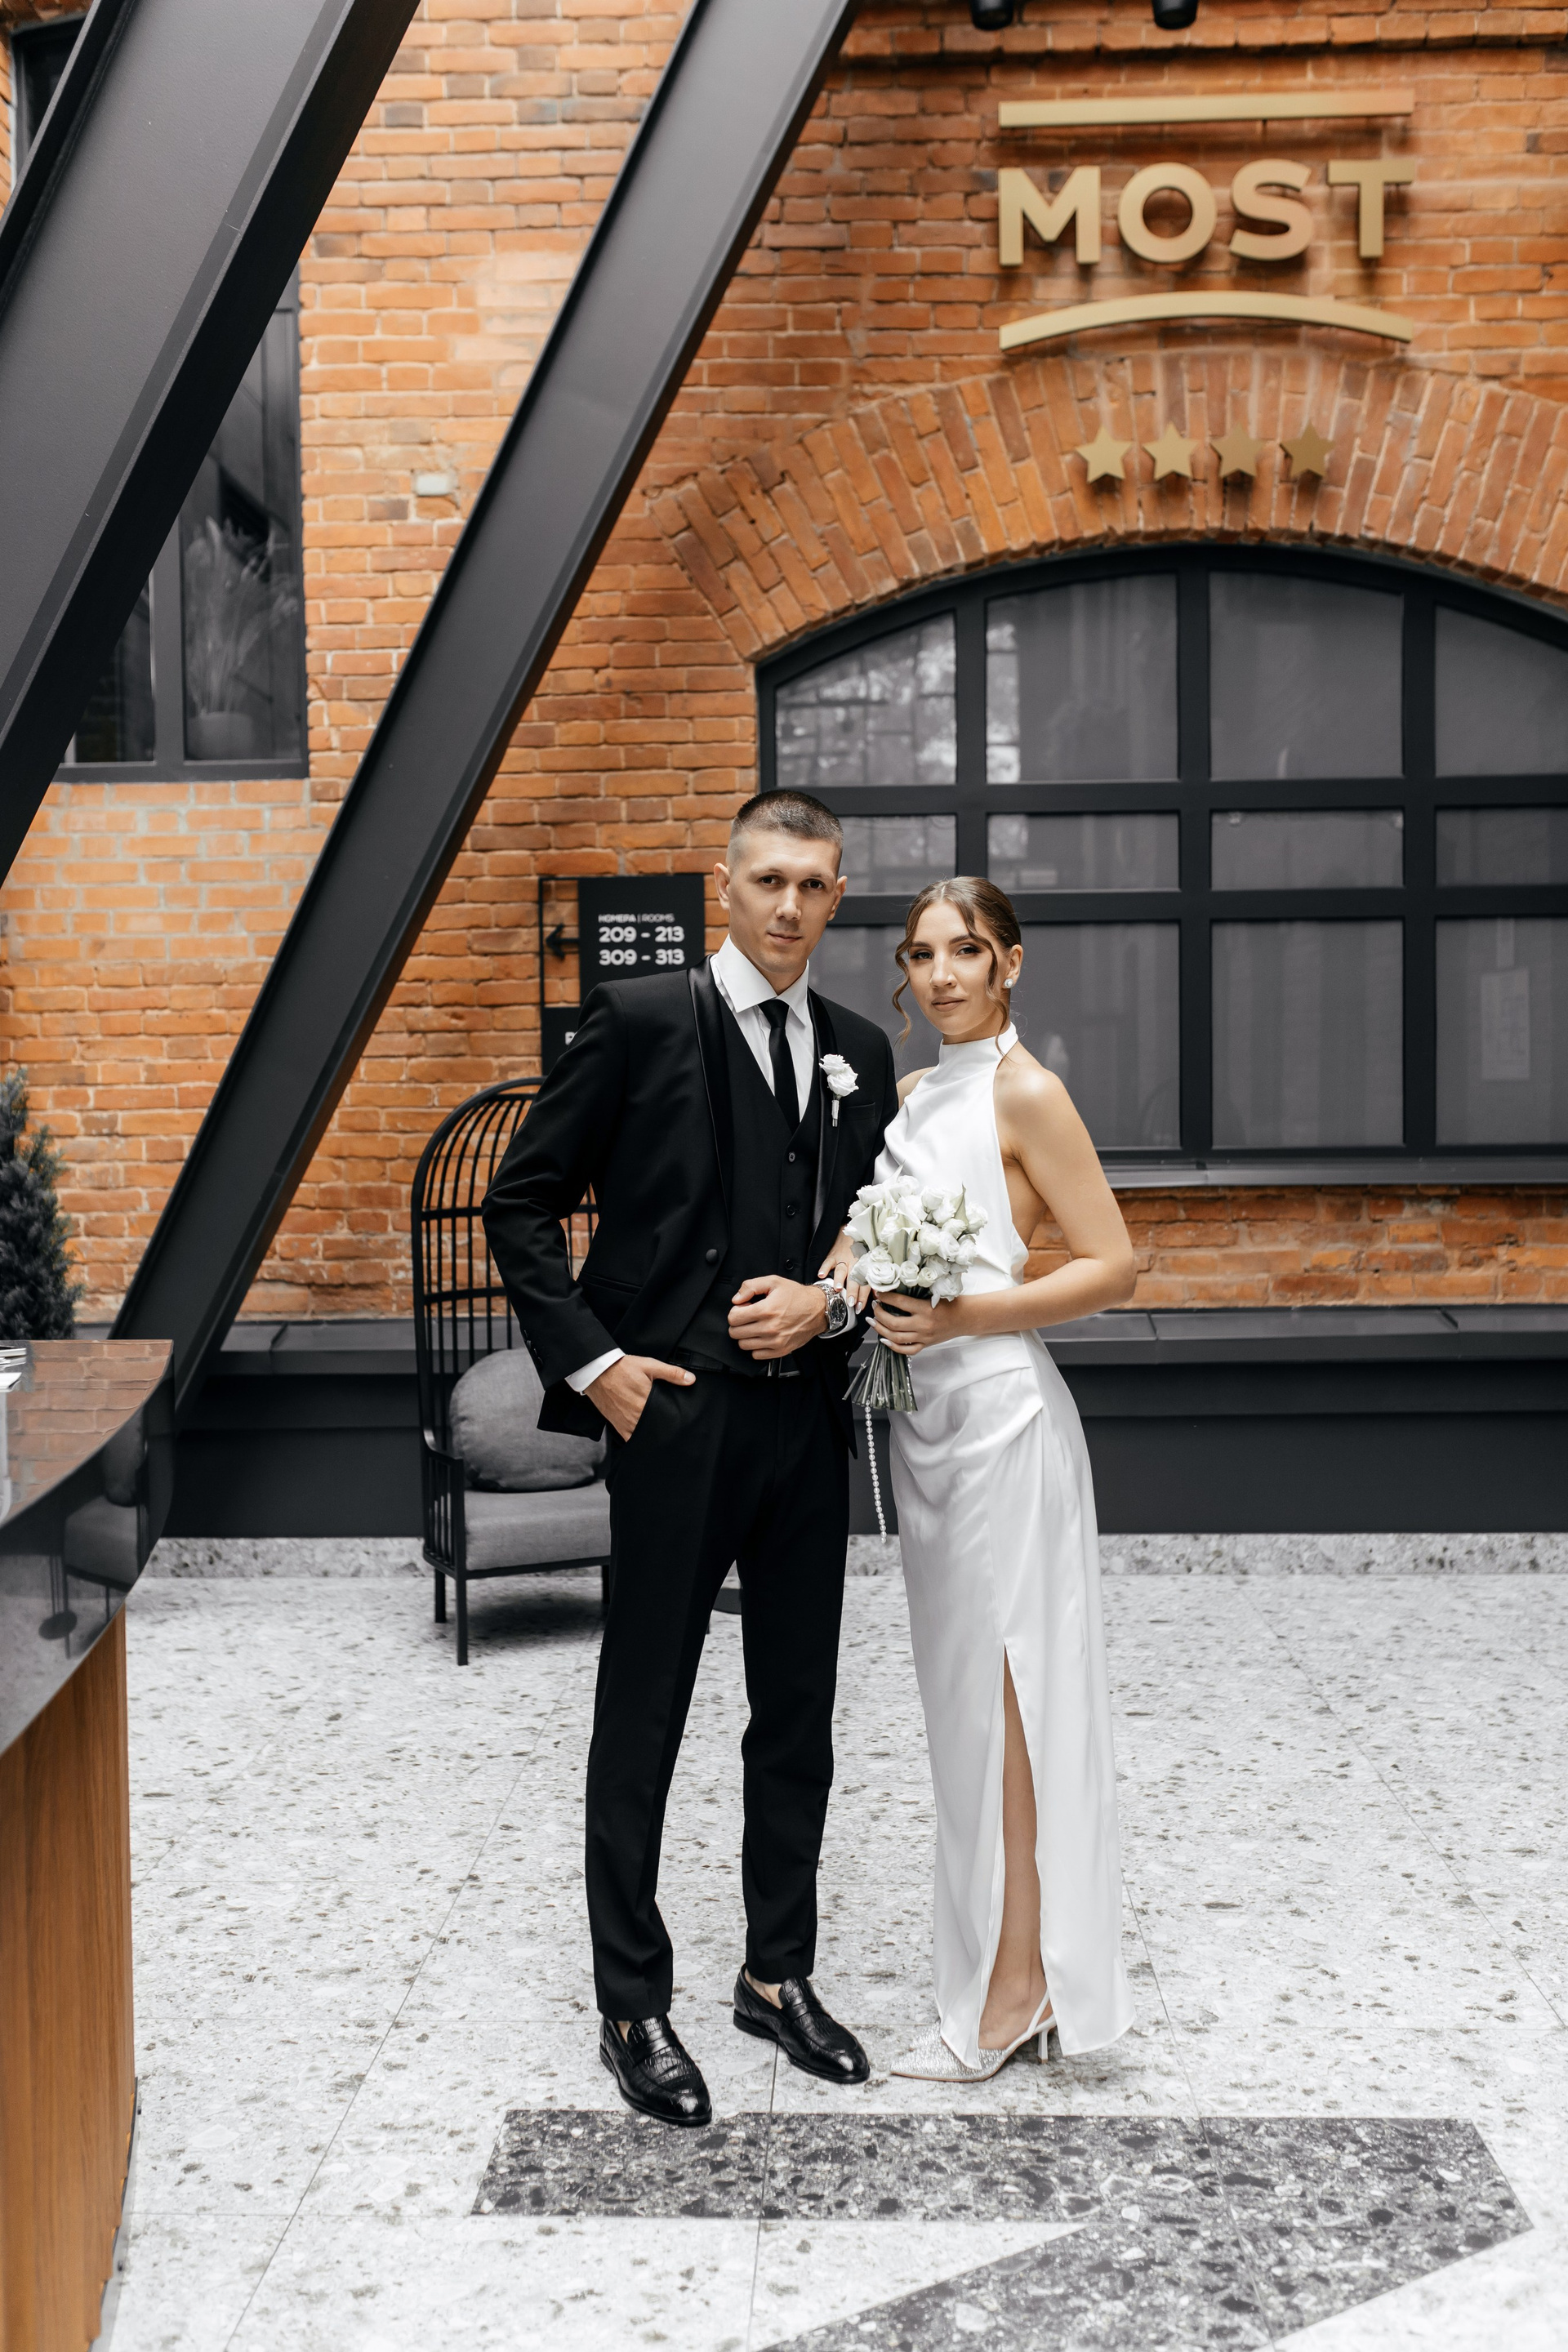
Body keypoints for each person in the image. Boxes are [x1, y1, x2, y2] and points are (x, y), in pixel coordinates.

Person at [482, 791, 898, 2128]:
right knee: (644, 1709)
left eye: (815, 885)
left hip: (804, 1427)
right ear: (726, 883)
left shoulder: (859, 1050)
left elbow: (872, 1233)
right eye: (769, 878)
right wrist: (597, 1367)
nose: (790, 905)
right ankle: (631, 2001)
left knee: (798, 1712)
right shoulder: (641, 1019)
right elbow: (520, 1203)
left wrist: (827, 1306)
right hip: (673, 1419)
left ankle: (776, 1976)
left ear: (837, 898)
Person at [825, 877, 1137, 2080]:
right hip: (926, 1430)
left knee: (1012, 1708)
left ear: (1010, 962)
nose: (942, 974)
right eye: (921, 955)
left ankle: (1017, 1990)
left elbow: (1111, 1265)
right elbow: (862, 1243)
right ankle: (1015, 1971)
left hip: (1004, 1423)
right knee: (962, 1710)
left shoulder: (1028, 1092)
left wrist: (964, 1317)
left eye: (965, 951)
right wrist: (835, 1283)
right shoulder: (914, 1097)